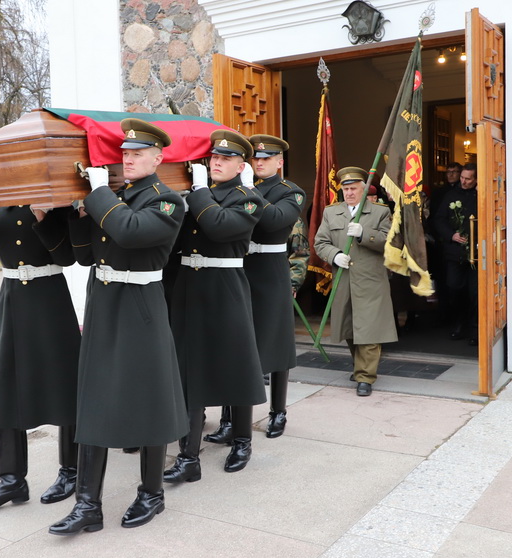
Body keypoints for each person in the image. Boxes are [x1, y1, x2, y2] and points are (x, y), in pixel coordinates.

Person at [49, 118, 188, 535]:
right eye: (124, 154)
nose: (128, 159)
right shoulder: (114, 197)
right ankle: (88, 504)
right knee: (93, 398)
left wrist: (97, 194)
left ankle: (152, 493)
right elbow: (86, 255)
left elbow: (128, 232)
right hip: (104, 302)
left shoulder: (167, 201)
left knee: (147, 398)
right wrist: (75, 213)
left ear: (158, 158)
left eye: (137, 154)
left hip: (140, 306)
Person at [0, 205, 81, 510]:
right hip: (12, 298)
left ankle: (71, 472)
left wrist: (43, 217)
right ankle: (12, 481)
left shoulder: (56, 202)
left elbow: (67, 257)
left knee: (64, 386)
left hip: (51, 298)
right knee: (6, 387)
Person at [165, 129, 267, 483]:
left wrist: (197, 193)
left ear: (242, 164)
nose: (217, 163)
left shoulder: (249, 198)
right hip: (190, 287)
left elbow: (219, 226)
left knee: (234, 366)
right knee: (188, 371)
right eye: (214, 158)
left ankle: (242, 440)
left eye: (225, 159)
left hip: (226, 288)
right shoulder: (195, 196)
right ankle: (188, 457)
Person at [313, 166, 398, 396]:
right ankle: (360, 367)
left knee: (369, 329)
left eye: (353, 189)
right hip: (344, 279)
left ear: (363, 189)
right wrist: (334, 255)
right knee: (350, 327)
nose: (349, 193)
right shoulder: (332, 212)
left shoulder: (379, 212)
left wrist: (364, 234)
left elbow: (390, 241)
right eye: (345, 189)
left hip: (370, 280)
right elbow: (320, 242)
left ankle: (365, 377)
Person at [243, 134, 305, 439]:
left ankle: (278, 411)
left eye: (266, 158)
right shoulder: (243, 186)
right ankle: (232, 416)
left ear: (280, 162)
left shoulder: (290, 192)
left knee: (278, 344)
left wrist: (244, 192)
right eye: (256, 158)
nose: (260, 162)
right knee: (238, 344)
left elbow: (273, 221)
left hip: (270, 272)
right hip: (241, 269)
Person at [433, 162, 478, 345]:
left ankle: (475, 330)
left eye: (468, 179)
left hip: (476, 252)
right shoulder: (451, 195)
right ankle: (459, 323)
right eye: (462, 178)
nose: (464, 181)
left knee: (475, 293)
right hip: (454, 252)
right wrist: (452, 235)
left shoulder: (480, 194)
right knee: (454, 288)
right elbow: (438, 219)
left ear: (476, 179)